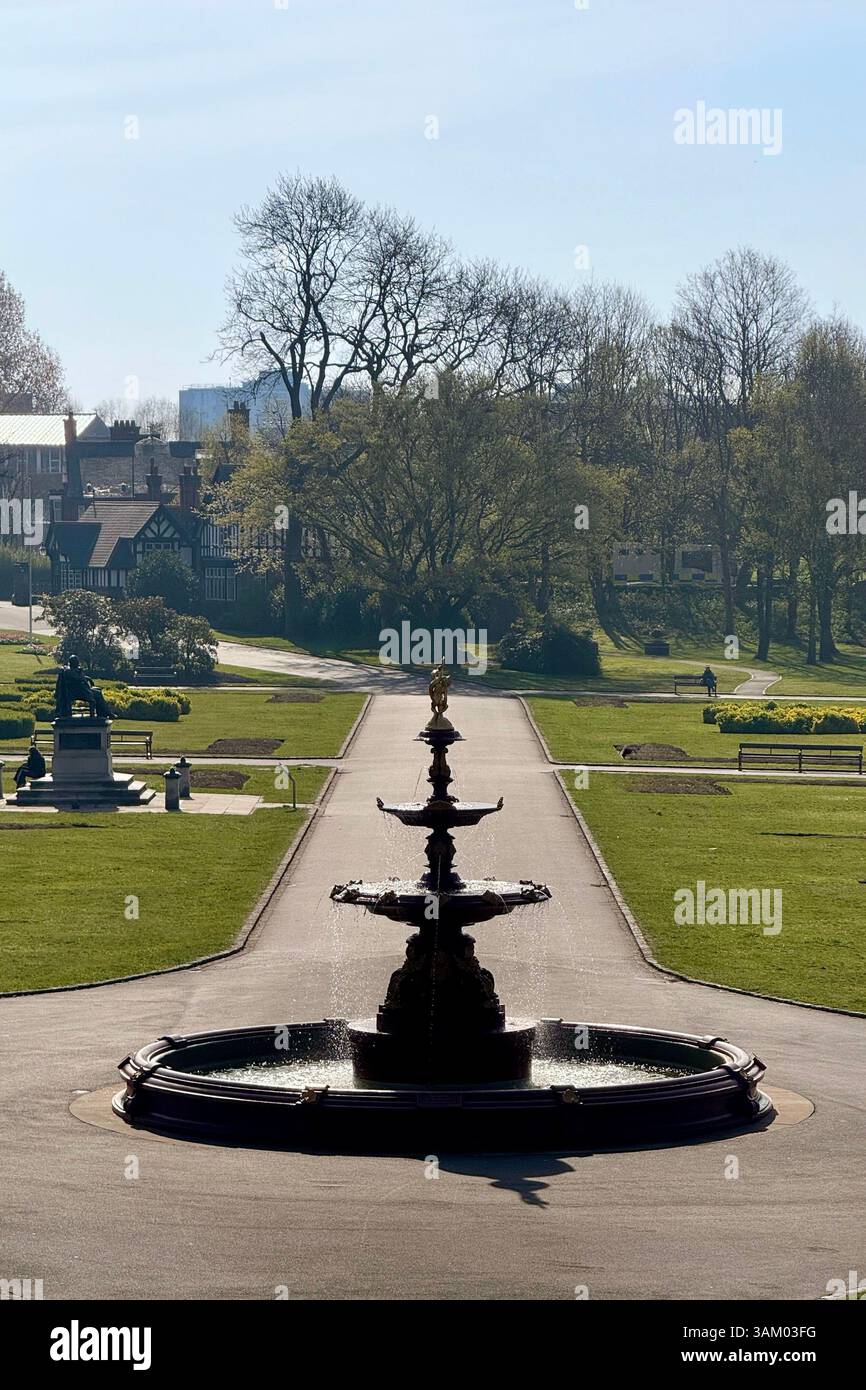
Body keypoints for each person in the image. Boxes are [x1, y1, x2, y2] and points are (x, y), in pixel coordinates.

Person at [54, 655, 111, 719]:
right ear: (75, 663)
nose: (78, 663)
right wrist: (81, 673)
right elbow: (79, 679)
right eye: (77, 662)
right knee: (97, 693)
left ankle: (103, 713)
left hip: (81, 690)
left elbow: (80, 678)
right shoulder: (69, 671)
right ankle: (105, 713)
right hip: (78, 692)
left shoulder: (72, 670)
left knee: (98, 690)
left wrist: (84, 676)